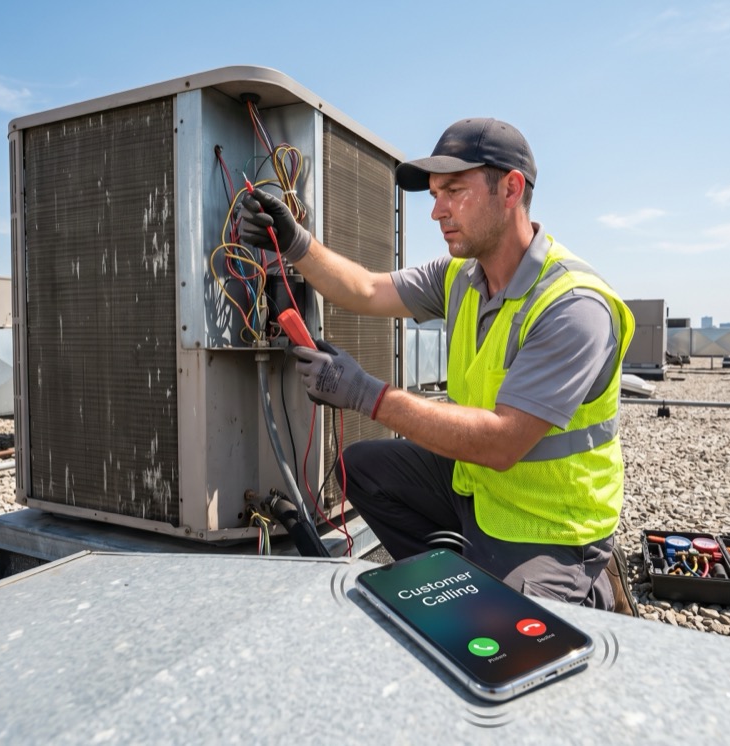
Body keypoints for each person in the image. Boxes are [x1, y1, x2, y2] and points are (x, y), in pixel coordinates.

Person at [239, 118, 635, 613]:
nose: (436, 211)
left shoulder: (572, 306)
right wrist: (295, 241)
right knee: (360, 468)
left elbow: (501, 441)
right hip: (480, 491)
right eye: (433, 193)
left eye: (453, 191)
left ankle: (586, 579)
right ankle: (461, 578)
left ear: (510, 189)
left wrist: (367, 394)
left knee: (503, 636)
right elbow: (363, 288)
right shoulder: (462, 278)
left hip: (550, 527)